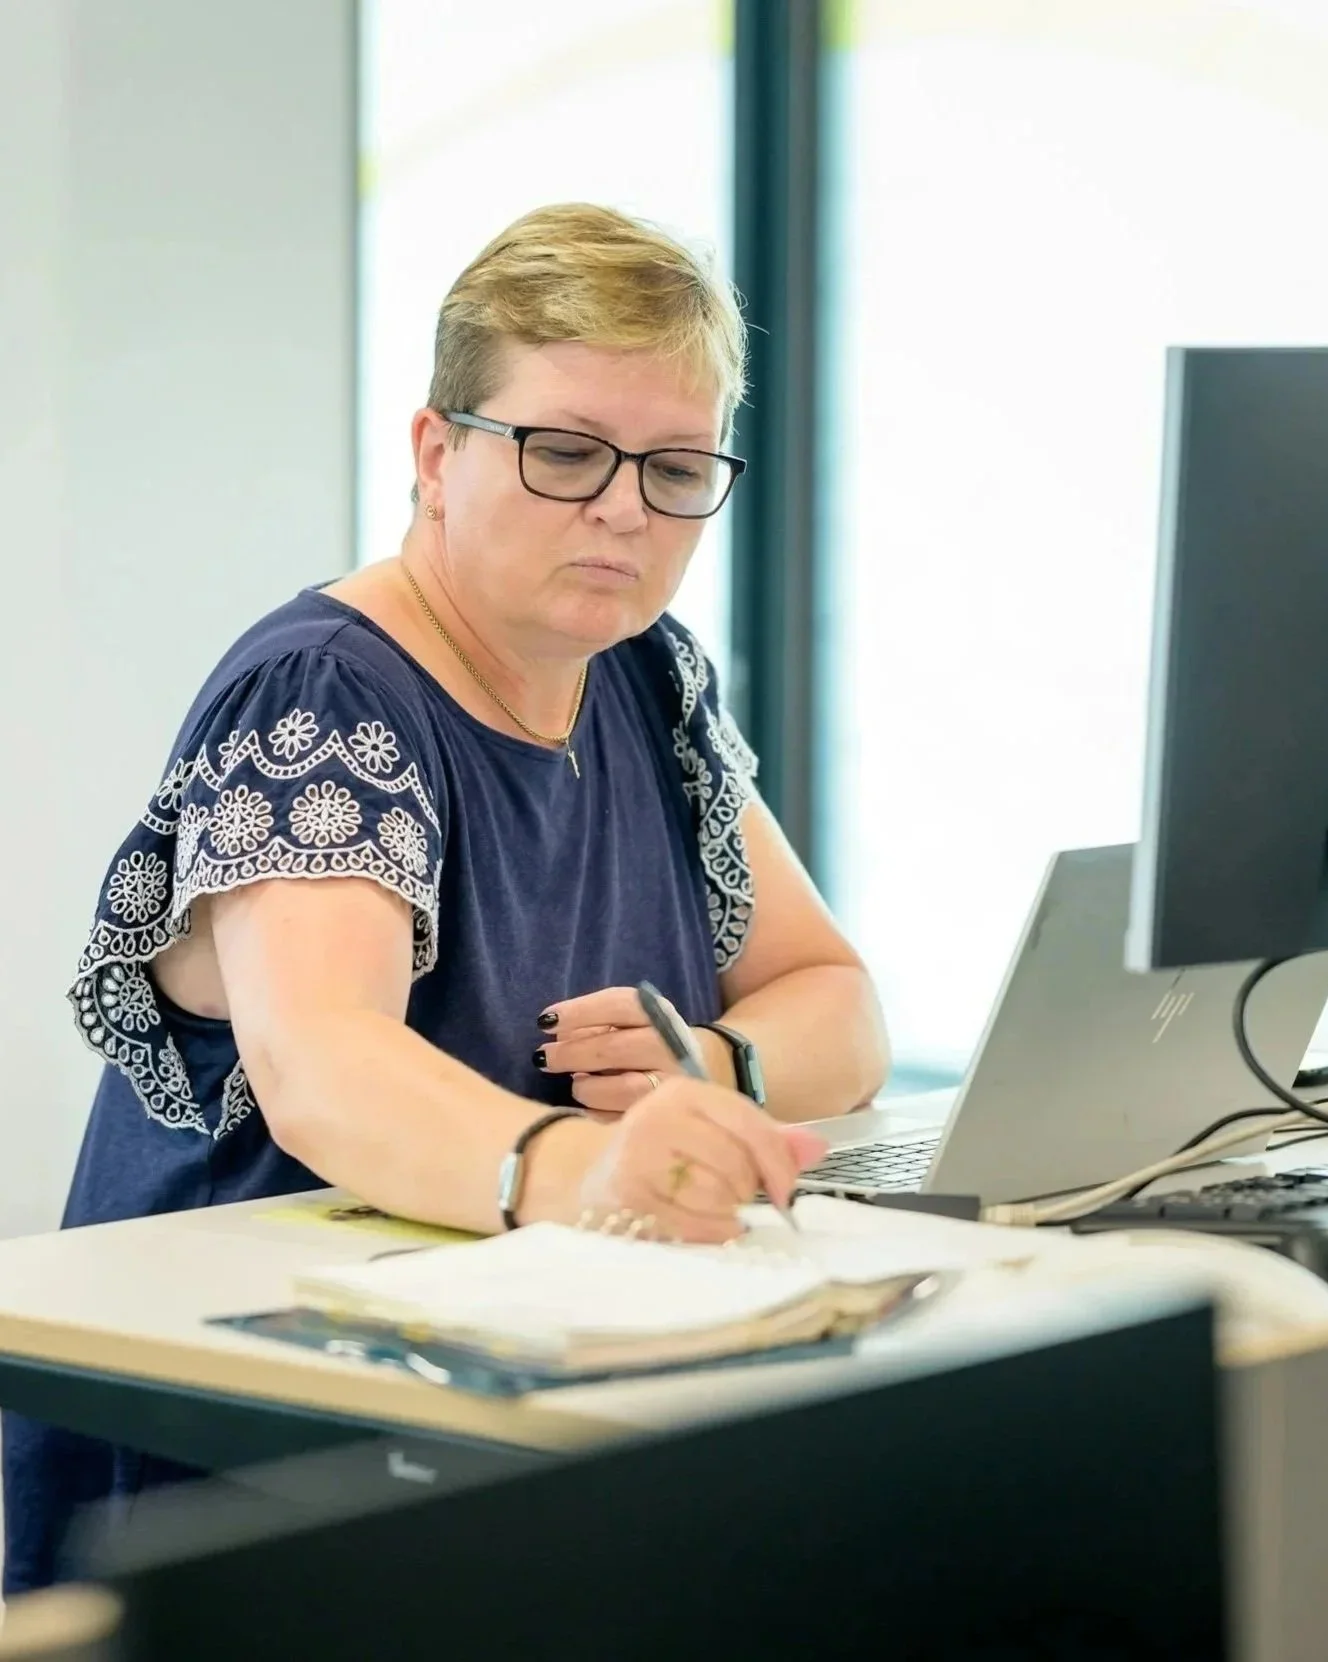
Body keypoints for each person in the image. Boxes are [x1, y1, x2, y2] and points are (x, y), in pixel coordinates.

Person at [3, 203, 889, 1593]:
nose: (623, 509)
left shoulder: (646, 677)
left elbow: (834, 999)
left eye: (674, 469)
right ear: (435, 452)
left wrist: (711, 1068)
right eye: (564, 452)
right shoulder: (324, 693)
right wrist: (591, 1172)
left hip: (510, 1385)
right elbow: (324, 1066)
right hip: (244, 1457)